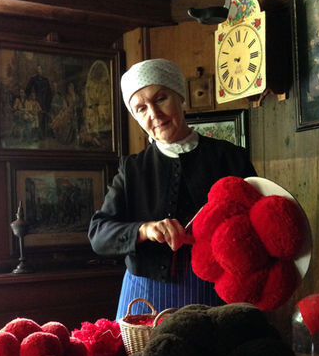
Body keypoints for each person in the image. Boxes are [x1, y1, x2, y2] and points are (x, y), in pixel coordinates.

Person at [88, 58, 257, 320]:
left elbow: (258, 226)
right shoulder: (132, 170)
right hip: (145, 297)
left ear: (180, 96)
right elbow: (98, 233)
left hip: (215, 293)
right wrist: (143, 230)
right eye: (141, 108)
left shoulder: (230, 159)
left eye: (161, 99)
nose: (153, 114)